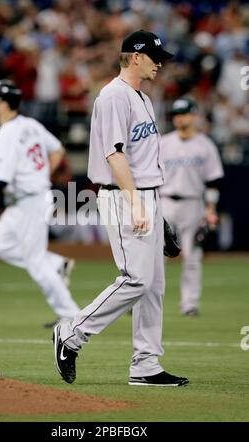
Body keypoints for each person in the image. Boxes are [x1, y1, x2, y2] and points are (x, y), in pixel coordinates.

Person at [53, 30, 189, 387]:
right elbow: (114, 155)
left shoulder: (140, 97)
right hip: (121, 194)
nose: (160, 63)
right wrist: (135, 203)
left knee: (154, 286)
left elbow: (141, 160)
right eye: (154, 56)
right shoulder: (113, 96)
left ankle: (145, 364)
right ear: (134, 57)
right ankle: (71, 333)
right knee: (136, 279)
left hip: (145, 195)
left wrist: (157, 215)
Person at [0, 79, 80, 324]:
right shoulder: (30, 124)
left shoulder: (4, 135)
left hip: (30, 201)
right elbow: (58, 150)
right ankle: (56, 263)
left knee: (35, 263)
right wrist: (42, 175)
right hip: (29, 198)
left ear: (3, 103)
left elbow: (0, 182)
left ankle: (71, 316)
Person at [160, 97, 224, 316]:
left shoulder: (205, 145)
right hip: (165, 202)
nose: (180, 118)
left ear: (194, 115)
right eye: (177, 115)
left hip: (193, 204)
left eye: (184, 114)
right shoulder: (164, 143)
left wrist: (211, 209)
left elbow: (214, 180)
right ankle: (146, 300)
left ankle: (190, 304)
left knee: (192, 256)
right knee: (157, 257)